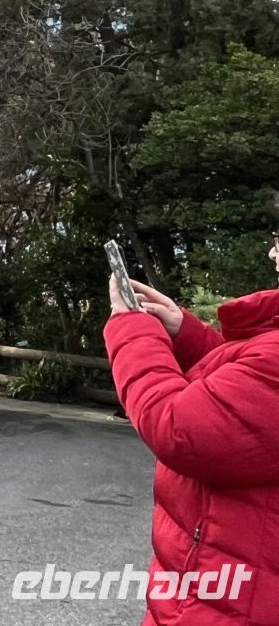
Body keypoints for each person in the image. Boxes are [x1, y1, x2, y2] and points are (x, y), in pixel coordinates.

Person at [105, 234, 279, 622]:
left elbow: (179, 427)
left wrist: (132, 331)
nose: (271, 251)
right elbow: (249, 405)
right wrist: (185, 335)